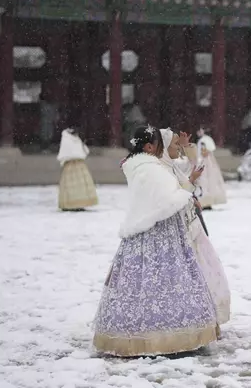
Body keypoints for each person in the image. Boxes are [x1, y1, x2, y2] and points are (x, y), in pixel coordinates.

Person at [93, 125, 218, 357]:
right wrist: (186, 193)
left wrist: (186, 189)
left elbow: (168, 192)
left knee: (155, 281)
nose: (162, 148)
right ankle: (162, 336)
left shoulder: (144, 165)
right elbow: (165, 198)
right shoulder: (147, 168)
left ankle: (158, 332)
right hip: (158, 232)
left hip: (153, 231)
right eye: (160, 143)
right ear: (149, 146)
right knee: (162, 279)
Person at [159, 128, 231, 333]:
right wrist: (189, 190)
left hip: (190, 225)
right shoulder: (161, 168)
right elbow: (178, 189)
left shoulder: (171, 165)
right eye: (174, 144)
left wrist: (184, 148)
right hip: (179, 229)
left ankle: (204, 320)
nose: (179, 147)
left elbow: (187, 169)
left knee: (201, 272)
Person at [56, 128, 98, 211]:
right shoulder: (66, 139)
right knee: (73, 185)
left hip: (78, 164)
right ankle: (71, 204)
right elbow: (67, 153)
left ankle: (79, 203)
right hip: (71, 164)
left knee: (78, 186)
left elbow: (83, 150)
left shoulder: (76, 139)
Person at [196, 127, 227, 210]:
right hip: (209, 162)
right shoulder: (206, 140)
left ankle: (206, 202)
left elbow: (204, 152)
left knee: (205, 182)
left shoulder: (203, 141)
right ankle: (207, 201)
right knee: (209, 182)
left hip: (205, 162)